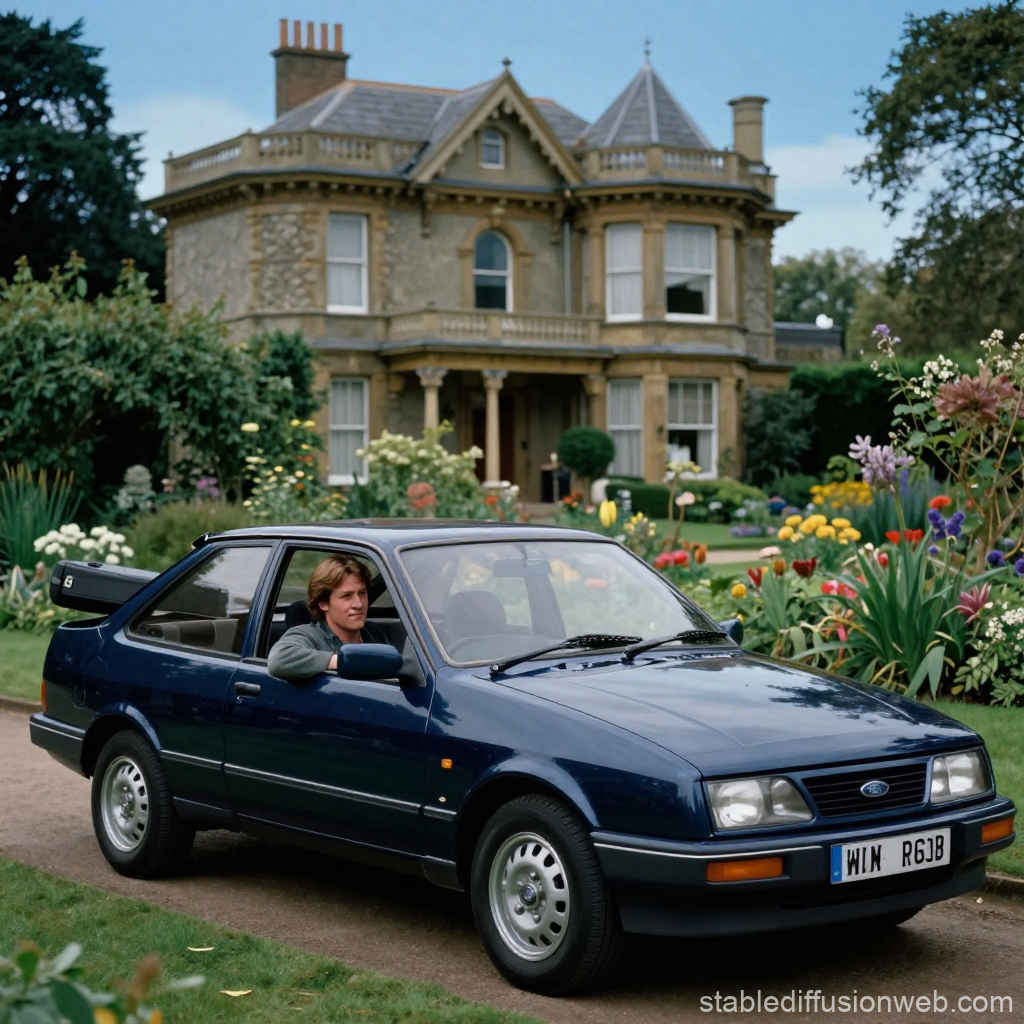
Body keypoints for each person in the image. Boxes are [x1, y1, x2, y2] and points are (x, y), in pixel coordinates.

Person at [268, 554, 388, 682]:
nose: (358, 604)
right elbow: (278, 660)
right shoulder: (308, 636)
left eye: (362, 593)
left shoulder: (372, 632)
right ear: (323, 603)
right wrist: (342, 661)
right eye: (346, 596)